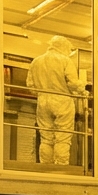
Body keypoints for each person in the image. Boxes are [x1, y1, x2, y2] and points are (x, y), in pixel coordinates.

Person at [26, 36, 86, 165]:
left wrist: (42, 93)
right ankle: (61, 166)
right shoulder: (65, 60)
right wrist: (82, 89)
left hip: (43, 101)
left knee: (46, 138)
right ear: (64, 46)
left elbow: (30, 85)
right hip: (62, 100)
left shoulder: (36, 61)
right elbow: (73, 83)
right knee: (63, 136)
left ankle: (46, 165)